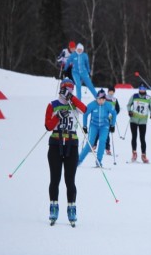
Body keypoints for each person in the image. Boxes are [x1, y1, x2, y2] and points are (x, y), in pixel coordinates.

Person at [44, 78, 87, 225]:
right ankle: (53, 207)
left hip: (72, 145)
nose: (68, 93)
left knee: (70, 180)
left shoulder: (74, 104)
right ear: (61, 89)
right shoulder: (53, 105)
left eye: (71, 90)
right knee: (55, 179)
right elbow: (48, 126)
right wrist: (58, 116)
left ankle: (71, 208)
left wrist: (72, 98)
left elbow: (85, 109)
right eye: (66, 90)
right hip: (56, 144)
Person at [77, 89, 117, 168]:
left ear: (105, 99)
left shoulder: (108, 105)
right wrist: (84, 126)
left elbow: (114, 113)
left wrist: (112, 125)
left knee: (102, 141)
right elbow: (85, 114)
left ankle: (98, 161)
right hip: (94, 126)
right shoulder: (92, 104)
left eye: (102, 99)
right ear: (96, 99)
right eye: (99, 99)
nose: (100, 101)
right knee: (90, 143)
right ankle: (78, 160)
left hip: (104, 126)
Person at [127, 83, 151, 163]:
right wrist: (130, 111)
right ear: (139, 88)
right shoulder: (134, 96)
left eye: (143, 88)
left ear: (145, 89)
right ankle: (134, 153)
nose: (142, 90)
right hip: (133, 120)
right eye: (140, 88)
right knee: (134, 136)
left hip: (143, 121)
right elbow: (128, 105)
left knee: (142, 138)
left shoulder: (148, 98)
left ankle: (143, 155)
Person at [101, 86, 121, 156]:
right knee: (98, 132)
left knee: (107, 134)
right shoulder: (104, 97)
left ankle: (107, 148)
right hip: (102, 118)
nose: (111, 92)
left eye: (112, 91)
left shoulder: (114, 99)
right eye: (110, 91)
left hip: (109, 119)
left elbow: (117, 109)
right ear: (108, 91)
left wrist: (114, 114)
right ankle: (93, 145)